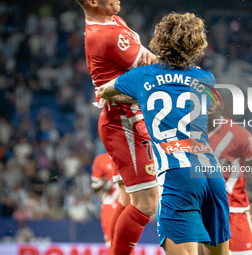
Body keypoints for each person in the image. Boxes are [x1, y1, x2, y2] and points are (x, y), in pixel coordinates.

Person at [98, 12, 231, 255]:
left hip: (177, 176)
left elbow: (104, 90)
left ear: (159, 41)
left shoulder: (142, 77)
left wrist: (135, 94)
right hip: (212, 174)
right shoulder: (206, 78)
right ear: (197, 45)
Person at [75, 0, 158, 254]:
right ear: (92, 1)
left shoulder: (110, 21)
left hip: (127, 119)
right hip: (125, 123)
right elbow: (153, 69)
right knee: (146, 204)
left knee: (127, 197)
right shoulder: (107, 35)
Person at [207, 99, 252, 255]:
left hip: (236, 213)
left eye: (213, 101)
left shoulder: (238, 133)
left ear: (221, 106)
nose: (209, 106)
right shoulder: (188, 133)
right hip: (206, 212)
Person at [91, 152, 129, 247]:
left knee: (127, 243)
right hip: (109, 205)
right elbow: (95, 187)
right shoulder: (100, 160)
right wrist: (104, 186)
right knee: (112, 244)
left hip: (126, 206)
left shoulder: (131, 157)